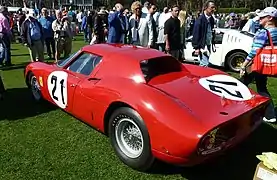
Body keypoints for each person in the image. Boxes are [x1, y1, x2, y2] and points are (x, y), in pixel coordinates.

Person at [240, 7, 277, 123]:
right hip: (267, 64)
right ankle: (270, 114)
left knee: (241, 84)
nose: (260, 18)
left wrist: (243, 65)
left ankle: (241, 109)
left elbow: (254, 51)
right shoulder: (275, 31)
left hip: (258, 64)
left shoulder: (263, 32)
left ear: (270, 18)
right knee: (261, 87)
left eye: (263, 16)